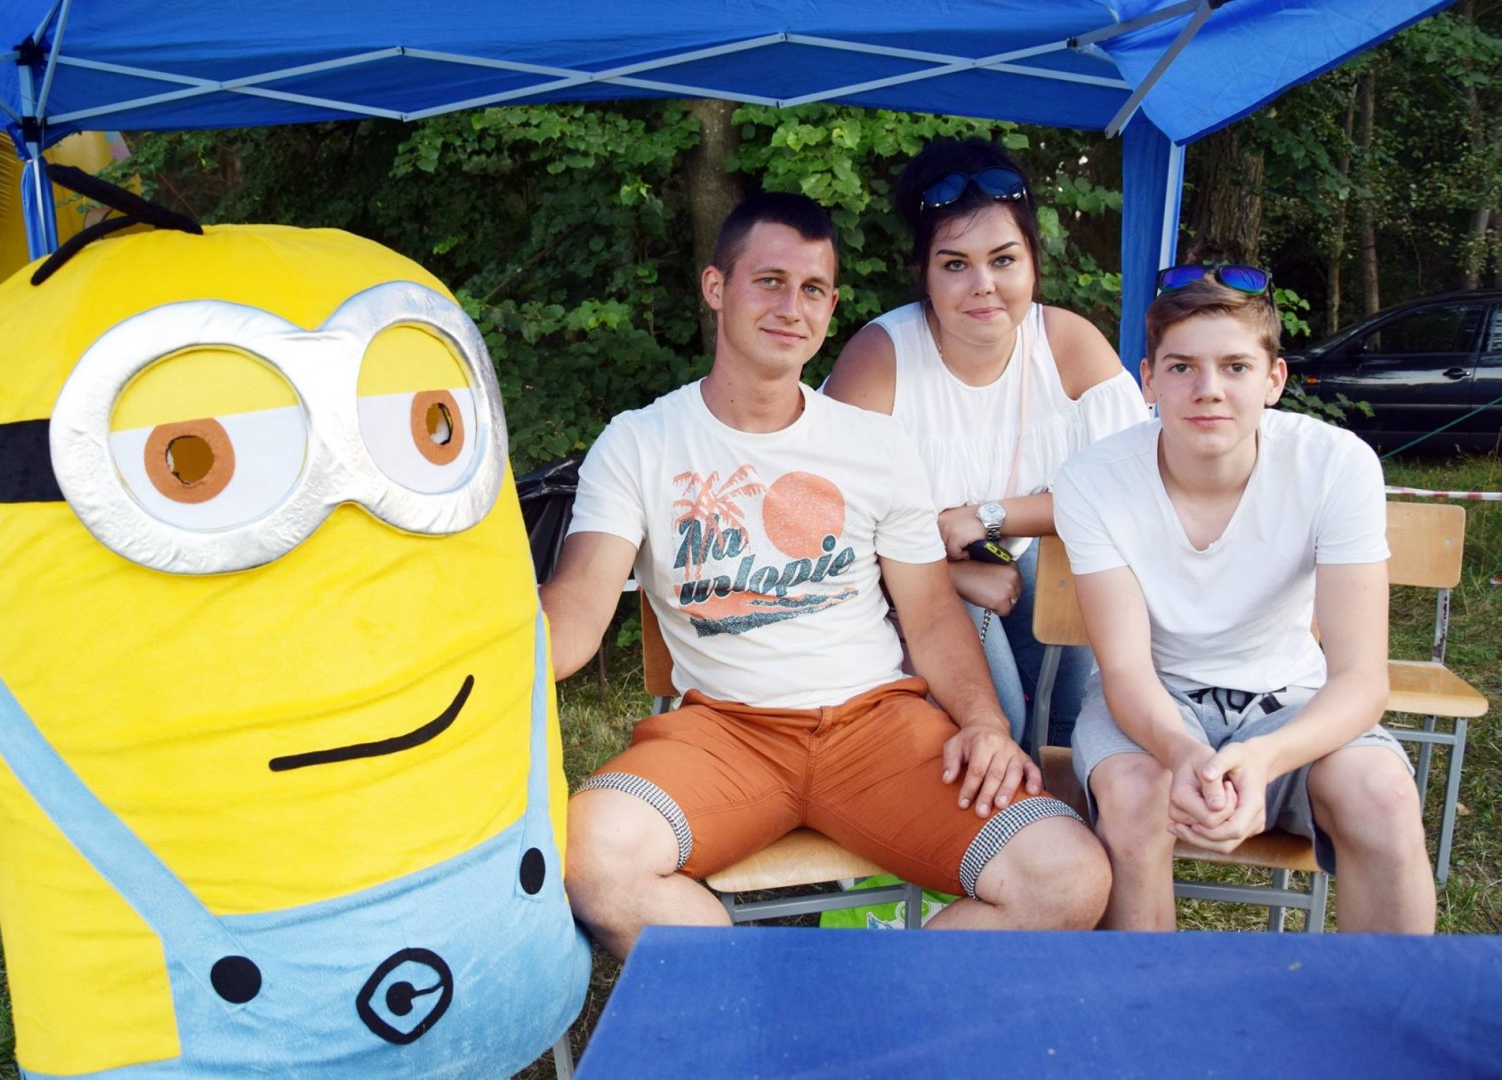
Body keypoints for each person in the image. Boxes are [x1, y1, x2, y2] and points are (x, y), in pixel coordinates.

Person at [540, 192, 1110, 957]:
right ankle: (755, 1004)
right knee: (592, 857)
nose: (792, 307)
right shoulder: (641, 443)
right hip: (725, 732)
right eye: (769, 281)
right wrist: (460, 643)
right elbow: (575, 614)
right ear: (716, 287)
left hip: (879, 729)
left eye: (812, 289)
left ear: (832, 306)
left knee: (1067, 875)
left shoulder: (873, 444)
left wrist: (983, 723)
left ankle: (875, 1006)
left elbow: (932, 616)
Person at [1053, 269, 1436, 933]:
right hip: (1156, 704)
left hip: (1290, 700)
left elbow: (1361, 678)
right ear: (1148, 381)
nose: (1208, 389)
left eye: (1235, 366)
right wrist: (1184, 754)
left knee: (1384, 796)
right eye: (1182, 367)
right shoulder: (1093, 479)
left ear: (1274, 379)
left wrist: (1264, 759)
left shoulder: (1335, 464)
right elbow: (1127, 671)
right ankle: (1142, 999)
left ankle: (1382, 998)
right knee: (1136, 797)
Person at [825, 137, 1147, 748]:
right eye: (955, 265)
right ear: (923, 273)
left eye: (1003, 260)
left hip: (1023, 558)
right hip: (893, 582)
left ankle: (1055, 804)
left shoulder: (1070, 346)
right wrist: (954, 577)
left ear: (1033, 261)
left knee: (1079, 711)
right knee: (1000, 717)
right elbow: (826, 527)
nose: (983, 285)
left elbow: (1135, 492)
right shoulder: (880, 359)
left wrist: (989, 517)